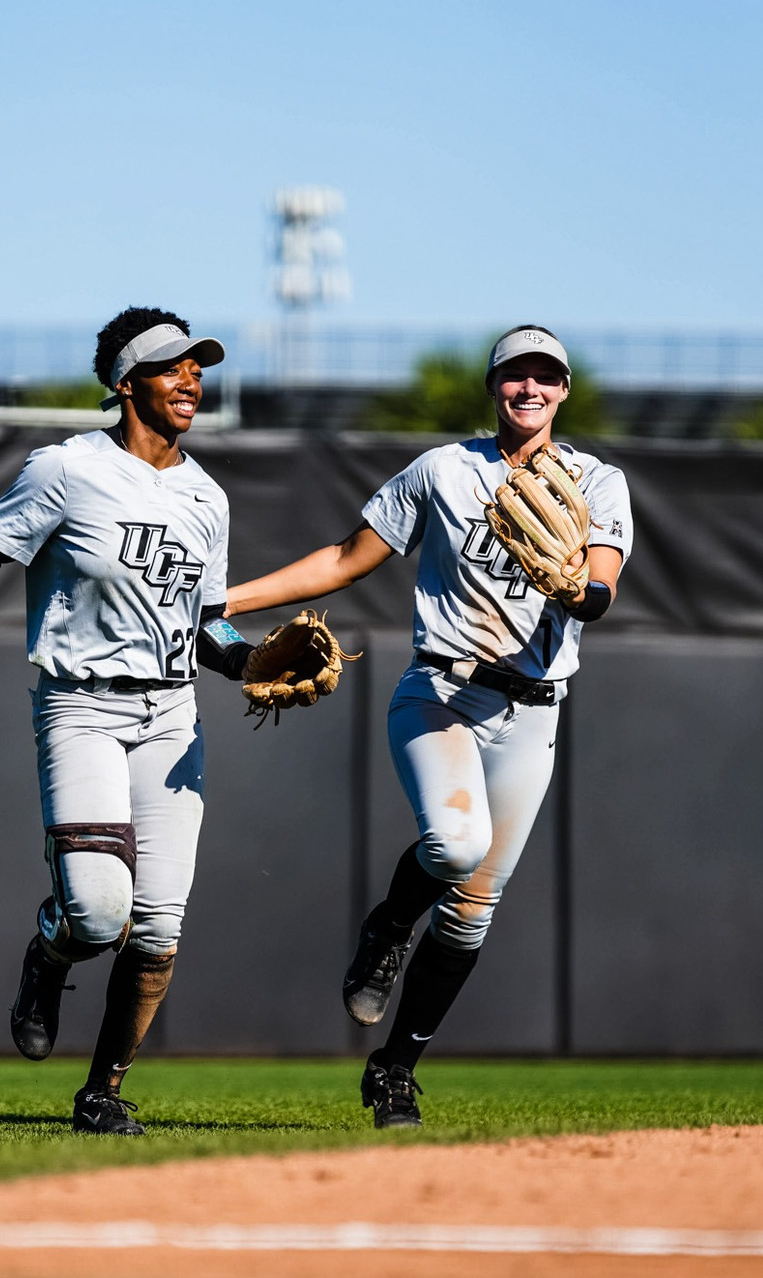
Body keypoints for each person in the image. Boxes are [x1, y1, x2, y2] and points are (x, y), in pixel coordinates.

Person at [225, 325, 631, 1129]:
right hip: (443, 691)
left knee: (475, 906)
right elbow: (347, 555)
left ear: (564, 390)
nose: (531, 389)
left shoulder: (598, 480)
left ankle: (394, 1071)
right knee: (454, 843)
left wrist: (572, 588)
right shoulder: (444, 470)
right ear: (494, 385)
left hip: (533, 710)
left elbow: (602, 585)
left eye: (546, 377)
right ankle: (387, 925)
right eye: (516, 375)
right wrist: (231, 602)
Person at [0, 307, 255, 1136]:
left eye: (198, 366)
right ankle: (49, 953)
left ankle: (103, 1089)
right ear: (124, 384)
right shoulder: (68, 468)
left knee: (157, 924)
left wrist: (254, 662)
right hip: (80, 703)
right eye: (171, 366)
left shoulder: (207, 496)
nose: (191, 379)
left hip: (170, 713)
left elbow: (211, 622)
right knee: (97, 913)